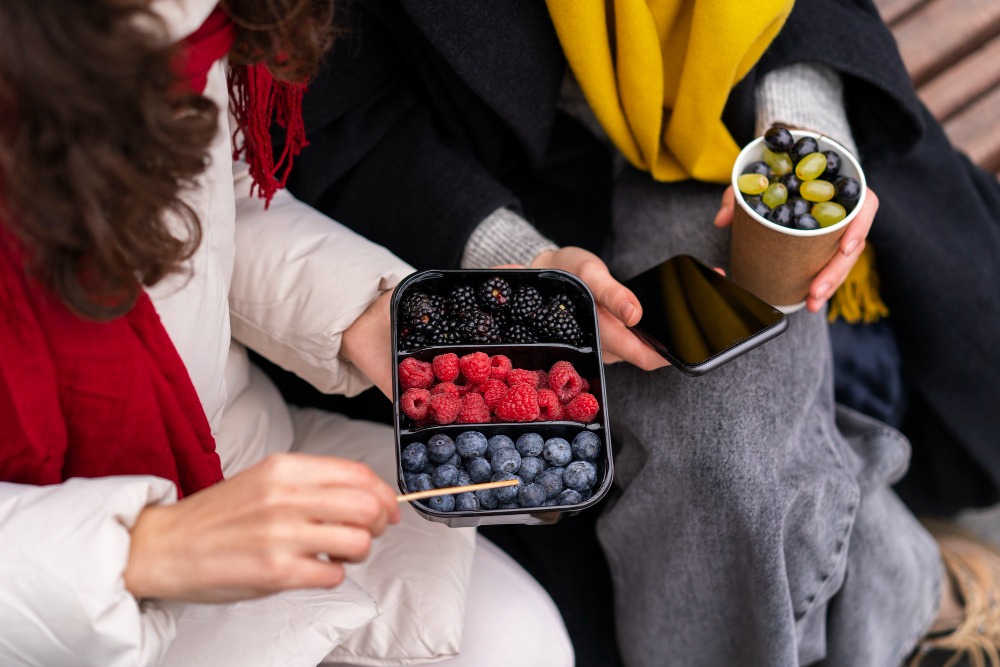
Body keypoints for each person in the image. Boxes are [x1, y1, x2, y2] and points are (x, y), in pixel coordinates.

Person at [279, 0, 1000, 665]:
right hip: (492, 193)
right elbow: (343, 114)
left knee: (734, 456)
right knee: (730, 468)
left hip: (723, 124)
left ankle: (914, 593)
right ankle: (917, 591)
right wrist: (522, 267)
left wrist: (800, 125)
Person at [0, 2, 574, 666]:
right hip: (72, 585)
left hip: (237, 451)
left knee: (523, 637)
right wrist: (144, 549)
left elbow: (209, 210)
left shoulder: (185, 20)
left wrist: (360, 310)